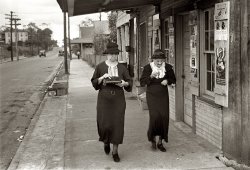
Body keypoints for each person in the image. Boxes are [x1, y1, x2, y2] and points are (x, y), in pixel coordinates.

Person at [91, 42, 132, 162]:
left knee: (117, 125)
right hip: (104, 100)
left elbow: (129, 82)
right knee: (104, 124)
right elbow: (94, 82)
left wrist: (124, 83)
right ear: (107, 55)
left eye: (115, 54)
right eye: (110, 54)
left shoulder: (122, 68)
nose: (112, 57)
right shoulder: (100, 67)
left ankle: (115, 151)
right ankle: (106, 141)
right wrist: (101, 78)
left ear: (117, 55)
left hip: (118, 100)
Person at [140, 49, 176, 152]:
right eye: (157, 61)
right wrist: (151, 76)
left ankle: (160, 141)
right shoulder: (148, 68)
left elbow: (173, 79)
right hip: (152, 95)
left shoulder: (168, 67)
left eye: (161, 61)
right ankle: (152, 139)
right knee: (155, 117)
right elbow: (143, 82)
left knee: (164, 117)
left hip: (163, 95)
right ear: (153, 60)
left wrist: (167, 80)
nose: (160, 63)